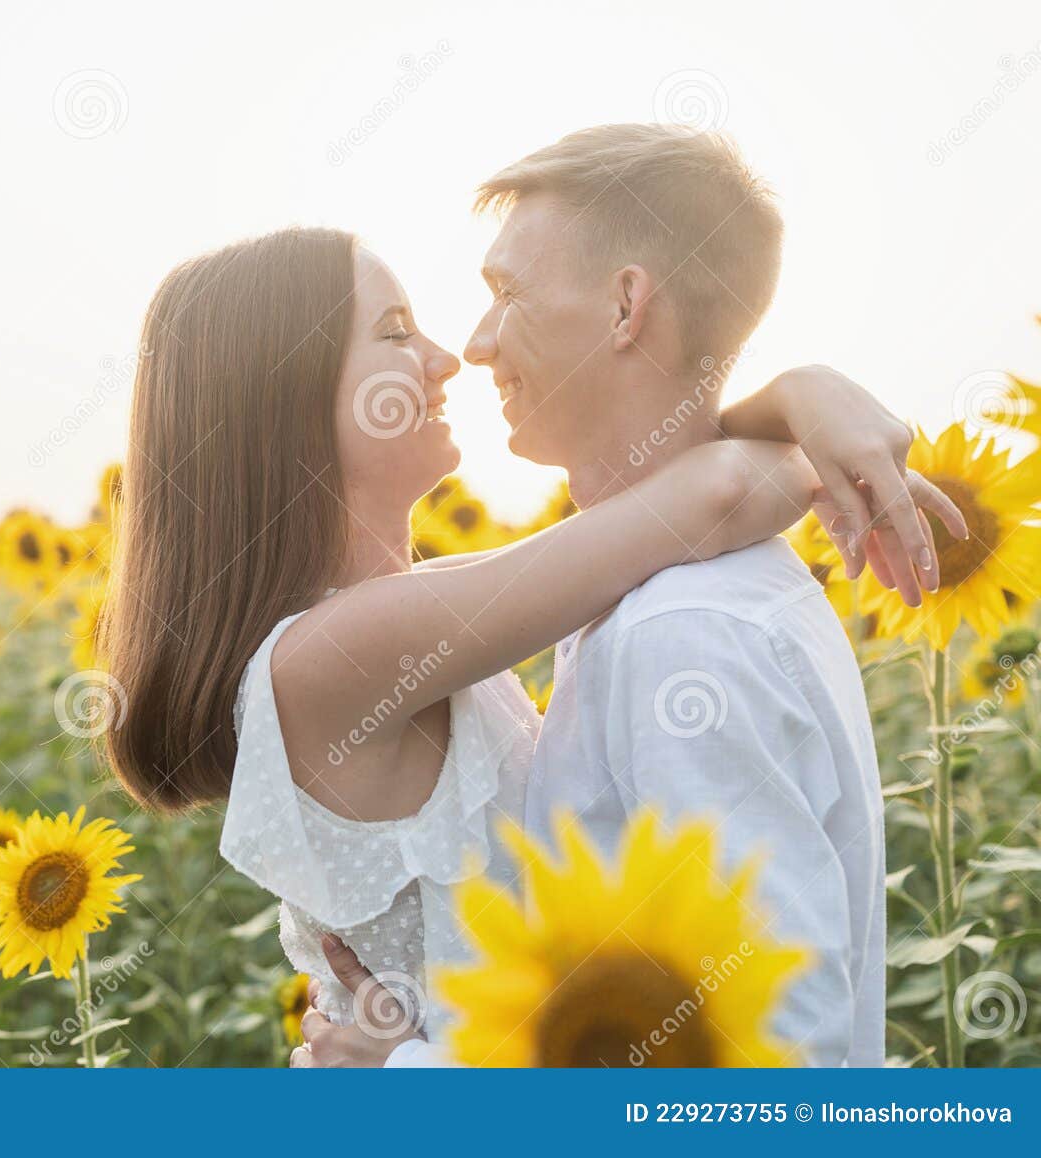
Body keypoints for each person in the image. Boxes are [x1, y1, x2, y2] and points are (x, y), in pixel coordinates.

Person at [101, 126, 965, 1070]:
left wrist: (407, 1075)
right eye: (396, 335)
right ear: (283, 396)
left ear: (628, 303)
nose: (454, 355)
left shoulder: (669, 631)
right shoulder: (351, 651)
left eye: (502, 297)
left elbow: (771, 1065)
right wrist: (806, 396)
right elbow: (706, 493)